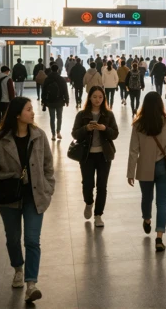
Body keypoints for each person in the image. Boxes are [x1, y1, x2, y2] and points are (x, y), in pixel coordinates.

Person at [0, 97, 55, 303]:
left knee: (32, 240)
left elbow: (48, 166)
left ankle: (31, 284)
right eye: (29, 109)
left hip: (35, 196)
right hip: (9, 198)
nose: (33, 112)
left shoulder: (39, 136)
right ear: (17, 114)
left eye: (32, 109)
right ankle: (18, 269)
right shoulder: (0, 139)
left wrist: (49, 188)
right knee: (13, 238)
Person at [127, 92, 166, 252]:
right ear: (160, 105)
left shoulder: (138, 125)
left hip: (145, 166)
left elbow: (133, 150)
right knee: (162, 202)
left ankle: (147, 219)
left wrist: (131, 172)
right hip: (164, 166)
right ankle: (159, 237)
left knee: (146, 197)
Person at [71, 86, 119, 228]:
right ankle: (89, 203)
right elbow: (75, 134)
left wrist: (104, 129)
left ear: (103, 98)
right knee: (87, 184)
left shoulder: (108, 115)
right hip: (86, 155)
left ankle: (98, 215)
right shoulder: (82, 115)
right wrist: (86, 128)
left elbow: (115, 134)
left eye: (100, 97)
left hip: (104, 155)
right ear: (89, 98)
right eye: (94, 97)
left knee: (102, 186)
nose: (97, 100)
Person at [41, 64, 69, 141]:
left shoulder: (47, 79)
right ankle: (58, 132)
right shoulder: (61, 79)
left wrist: (43, 100)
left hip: (50, 101)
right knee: (59, 117)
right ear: (57, 70)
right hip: (59, 101)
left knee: (52, 118)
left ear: (51, 69)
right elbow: (65, 90)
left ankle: (53, 134)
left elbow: (44, 90)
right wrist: (67, 100)